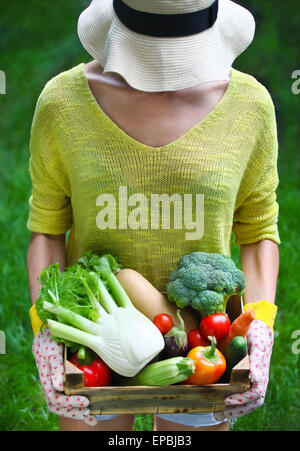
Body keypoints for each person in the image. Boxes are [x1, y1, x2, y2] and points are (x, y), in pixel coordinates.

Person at [27, 0, 280, 431]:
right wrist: (46, 326)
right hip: (95, 338)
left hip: (205, 345)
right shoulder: (63, 104)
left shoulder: (250, 108)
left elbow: (258, 229)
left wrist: (261, 322)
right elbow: (47, 227)